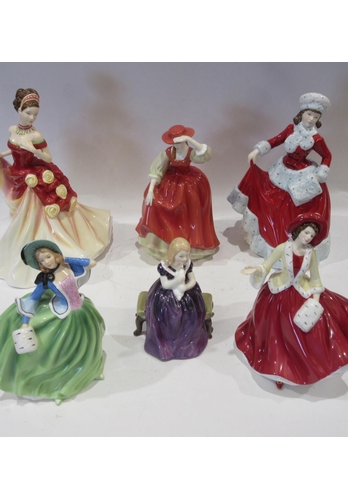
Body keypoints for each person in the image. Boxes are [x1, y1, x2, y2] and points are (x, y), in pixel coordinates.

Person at [0, 88, 112, 288]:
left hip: (33, 176)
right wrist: (1, 154)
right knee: (21, 211)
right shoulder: (13, 130)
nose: (31, 118)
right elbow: (15, 149)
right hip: (19, 173)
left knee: (37, 213)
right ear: (19, 110)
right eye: (28, 113)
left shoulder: (36, 135)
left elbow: (48, 157)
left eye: (35, 115)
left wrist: (33, 149)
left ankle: (41, 235)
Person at [235, 213, 348, 388]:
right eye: (306, 232)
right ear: (298, 231)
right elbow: (267, 265)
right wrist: (258, 269)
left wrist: (315, 301)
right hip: (278, 292)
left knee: (315, 328)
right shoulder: (282, 248)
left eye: (311, 236)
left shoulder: (311, 254)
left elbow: (315, 279)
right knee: (274, 329)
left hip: (301, 291)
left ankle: (302, 365)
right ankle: (276, 365)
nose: (308, 237)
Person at [0, 240, 106, 405]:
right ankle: (58, 383)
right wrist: (25, 322)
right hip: (65, 315)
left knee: (89, 341)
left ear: (55, 254)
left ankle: (90, 368)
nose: (47, 261)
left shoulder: (69, 267)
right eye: (42, 260)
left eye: (48, 256)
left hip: (82, 310)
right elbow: (32, 300)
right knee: (61, 348)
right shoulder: (47, 280)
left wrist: (65, 258)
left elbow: (92, 263)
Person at [228, 93, 332, 263]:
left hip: (302, 174)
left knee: (292, 205)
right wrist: (257, 150)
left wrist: (321, 173)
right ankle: (268, 234)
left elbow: (327, 156)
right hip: (282, 171)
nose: (311, 119)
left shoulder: (316, 138)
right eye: (309, 114)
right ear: (302, 113)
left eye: (316, 117)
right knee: (270, 198)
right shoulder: (291, 129)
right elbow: (276, 140)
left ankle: (290, 240)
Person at [136, 125, 219, 260]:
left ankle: (192, 242)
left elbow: (204, 154)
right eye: (174, 143)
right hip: (171, 184)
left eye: (179, 142)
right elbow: (156, 172)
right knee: (156, 204)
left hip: (189, 184)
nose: (177, 146)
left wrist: (190, 140)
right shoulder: (168, 153)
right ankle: (162, 243)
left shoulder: (190, 152)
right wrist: (151, 191)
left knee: (191, 207)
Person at [143, 237, 209, 361]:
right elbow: (165, 285)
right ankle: (168, 339)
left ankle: (187, 341)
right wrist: (177, 281)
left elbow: (193, 280)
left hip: (186, 292)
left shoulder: (187, 264)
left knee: (191, 312)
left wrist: (185, 287)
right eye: (181, 256)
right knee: (168, 313)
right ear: (173, 254)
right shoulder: (164, 267)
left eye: (187, 255)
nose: (185, 259)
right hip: (166, 295)